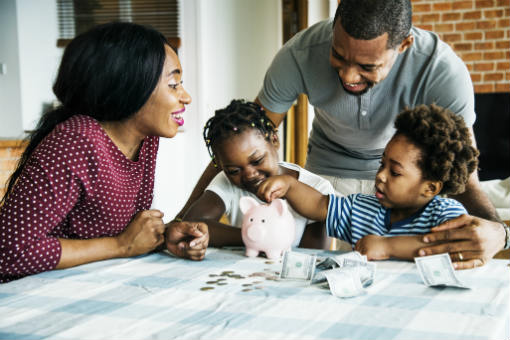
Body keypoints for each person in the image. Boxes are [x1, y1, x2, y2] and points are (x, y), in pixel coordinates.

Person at [176, 0, 509, 268]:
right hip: (328, 177)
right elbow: (243, 137)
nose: (349, 76)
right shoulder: (299, 54)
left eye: (367, 67)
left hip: (406, 177)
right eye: (338, 55)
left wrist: (500, 233)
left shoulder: (441, 70)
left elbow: (466, 179)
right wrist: (178, 221)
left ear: (404, 45)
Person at [0, 22, 208, 283]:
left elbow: (117, 234)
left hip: (89, 285)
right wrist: (122, 246)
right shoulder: (76, 141)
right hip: (25, 298)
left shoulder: (146, 141)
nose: (186, 97)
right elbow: (9, 252)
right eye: (173, 84)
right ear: (130, 85)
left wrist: (162, 236)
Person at [258, 105, 479, 263]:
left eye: (394, 172)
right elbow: (318, 205)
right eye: (382, 164)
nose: (381, 176)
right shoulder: (362, 208)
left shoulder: (446, 215)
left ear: (430, 188)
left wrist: (387, 247)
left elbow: (450, 247)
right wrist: (289, 185)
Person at [176, 99, 335, 250]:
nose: (250, 175)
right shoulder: (227, 181)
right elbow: (191, 224)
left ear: (274, 140)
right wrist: (252, 236)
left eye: (257, 160)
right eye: (234, 170)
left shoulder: (318, 189)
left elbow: (313, 256)